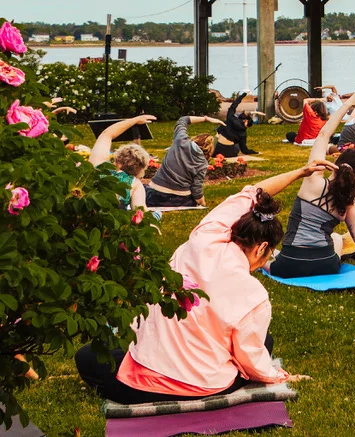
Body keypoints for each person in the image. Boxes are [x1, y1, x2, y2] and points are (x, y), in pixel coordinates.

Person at [75, 166, 325, 403]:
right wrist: (276, 376)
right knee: (262, 343)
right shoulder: (254, 295)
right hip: (201, 384)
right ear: (261, 248)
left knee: (87, 358)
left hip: (145, 373)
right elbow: (251, 358)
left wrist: (300, 172)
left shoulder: (205, 234)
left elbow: (251, 193)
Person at [268, 91, 355, 278]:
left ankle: (272, 258)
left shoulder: (313, 180)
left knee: (265, 259)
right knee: (336, 238)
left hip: (290, 264)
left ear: (336, 160)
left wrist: (349, 103)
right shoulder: (350, 202)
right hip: (326, 266)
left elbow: (323, 135)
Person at [146, 114, 221, 209]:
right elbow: (196, 190)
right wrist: (202, 203)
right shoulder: (202, 163)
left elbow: (183, 120)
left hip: (156, 194)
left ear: (196, 139)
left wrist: (205, 119)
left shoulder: (180, 139)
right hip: (179, 199)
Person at [215, 92, 259, 157]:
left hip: (216, 150)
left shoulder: (231, 118)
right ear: (247, 126)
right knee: (237, 145)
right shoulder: (243, 134)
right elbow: (244, 150)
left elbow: (233, 106)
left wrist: (242, 95)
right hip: (229, 153)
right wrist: (254, 152)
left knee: (219, 130)